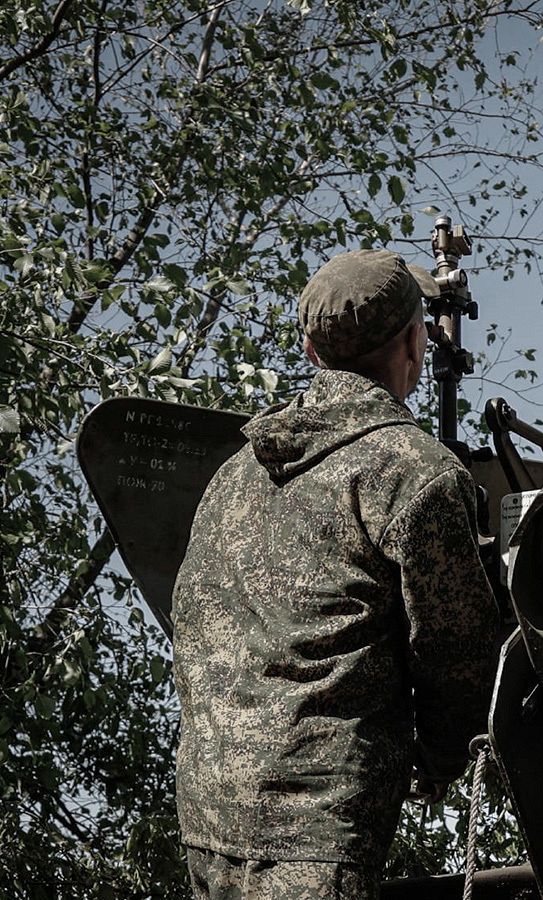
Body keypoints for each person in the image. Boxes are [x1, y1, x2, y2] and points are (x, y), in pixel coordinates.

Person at [171, 249, 502, 898]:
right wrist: (438, 758)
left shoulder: (234, 474)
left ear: (313, 353)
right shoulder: (414, 471)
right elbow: (456, 653)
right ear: (414, 341)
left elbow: (189, 623)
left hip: (207, 819)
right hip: (314, 837)